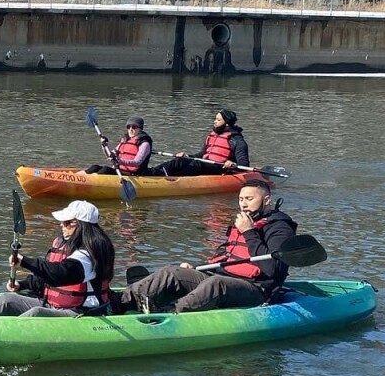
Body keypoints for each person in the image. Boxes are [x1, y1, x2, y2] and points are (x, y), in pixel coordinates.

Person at [122, 177, 296, 314]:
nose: (243, 204)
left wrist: (249, 232)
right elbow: (229, 258)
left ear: (266, 200)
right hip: (225, 277)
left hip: (256, 289)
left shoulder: (280, 227)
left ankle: (167, 312)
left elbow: (273, 268)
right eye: (241, 199)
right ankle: (121, 301)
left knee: (215, 283)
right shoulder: (245, 221)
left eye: (249, 199)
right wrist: (199, 268)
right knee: (172, 272)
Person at [0, 200, 116, 317]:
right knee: (6, 299)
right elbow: (47, 277)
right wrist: (23, 284)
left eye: (67, 222)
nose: (62, 225)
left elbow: (59, 275)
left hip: (80, 312)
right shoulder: (65, 244)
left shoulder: (90, 255)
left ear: (81, 225)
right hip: (53, 304)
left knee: (36, 313)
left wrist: (25, 262)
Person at [156, 108, 249, 176]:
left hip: (220, 168)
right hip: (205, 164)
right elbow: (201, 154)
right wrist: (188, 156)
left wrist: (232, 164)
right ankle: (155, 172)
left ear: (227, 123)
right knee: (181, 160)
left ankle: (172, 177)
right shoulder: (212, 136)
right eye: (215, 119)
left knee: (197, 164)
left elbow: (244, 164)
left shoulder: (237, 141)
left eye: (218, 120)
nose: (214, 122)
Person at [84, 117, 153, 175]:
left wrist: (119, 161)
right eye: (128, 127)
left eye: (134, 127)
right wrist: (104, 145)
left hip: (133, 173)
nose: (130, 129)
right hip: (119, 170)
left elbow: (137, 162)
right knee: (95, 167)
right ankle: (77, 177)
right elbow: (109, 156)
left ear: (140, 129)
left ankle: (90, 182)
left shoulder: (144, 144)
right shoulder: (125, 140)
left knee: (105, 170)